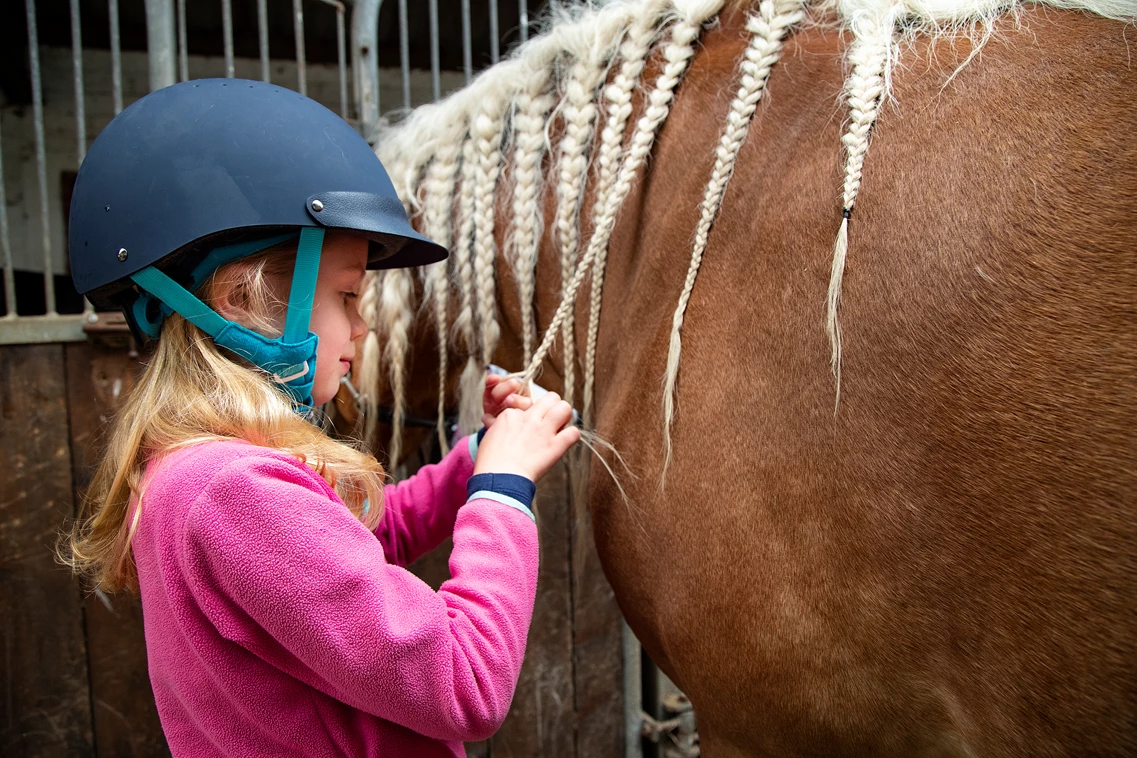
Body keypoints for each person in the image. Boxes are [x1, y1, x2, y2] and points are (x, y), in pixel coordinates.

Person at [63, 78, 579, 757]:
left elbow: (363, 537)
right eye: (346, 296)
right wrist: (501, 489)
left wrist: (475, 458)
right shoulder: (233, 492)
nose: (363, 327)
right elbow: (464, 681)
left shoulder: (203, 472)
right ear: (242, 299)